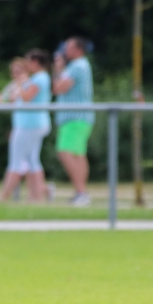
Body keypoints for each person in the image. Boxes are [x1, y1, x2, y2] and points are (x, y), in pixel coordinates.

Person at [0, 49, 52, 202]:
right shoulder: (40, 78)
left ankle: (4, 197)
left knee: (16, 161)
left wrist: (21, 83)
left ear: (35, 62)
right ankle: (36, 196)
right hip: (32, 124)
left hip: (29, 125)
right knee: (32, 161)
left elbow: (27, 97)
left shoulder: (39, 78)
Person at [52, 36, 94, 206]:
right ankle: (81, 192)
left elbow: (58, 88)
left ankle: (81, 192)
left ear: (78, 50)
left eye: (69, 47)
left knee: (65, 152)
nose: (65, 50)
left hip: (74, 118)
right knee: (78, 155)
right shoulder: (81, 65)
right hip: (80, 118)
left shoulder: (77, 66)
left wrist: (57, 70)